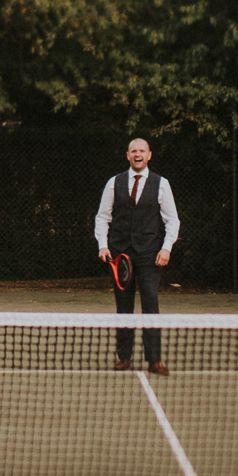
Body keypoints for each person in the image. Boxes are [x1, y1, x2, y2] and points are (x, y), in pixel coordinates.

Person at [94, 137, 179, 374]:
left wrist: (166, 248)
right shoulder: (114, 183)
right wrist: (103, 245)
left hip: (150, 255)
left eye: (142, 150)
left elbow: (172, 219)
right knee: (124, 307)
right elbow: (102, 217)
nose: (138, 154)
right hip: (120, 256)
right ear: (128, 155)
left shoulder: (161, 184)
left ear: (149, 155)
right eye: (134, 151)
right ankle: (124, 357)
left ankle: (154, 359)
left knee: (150, 302)